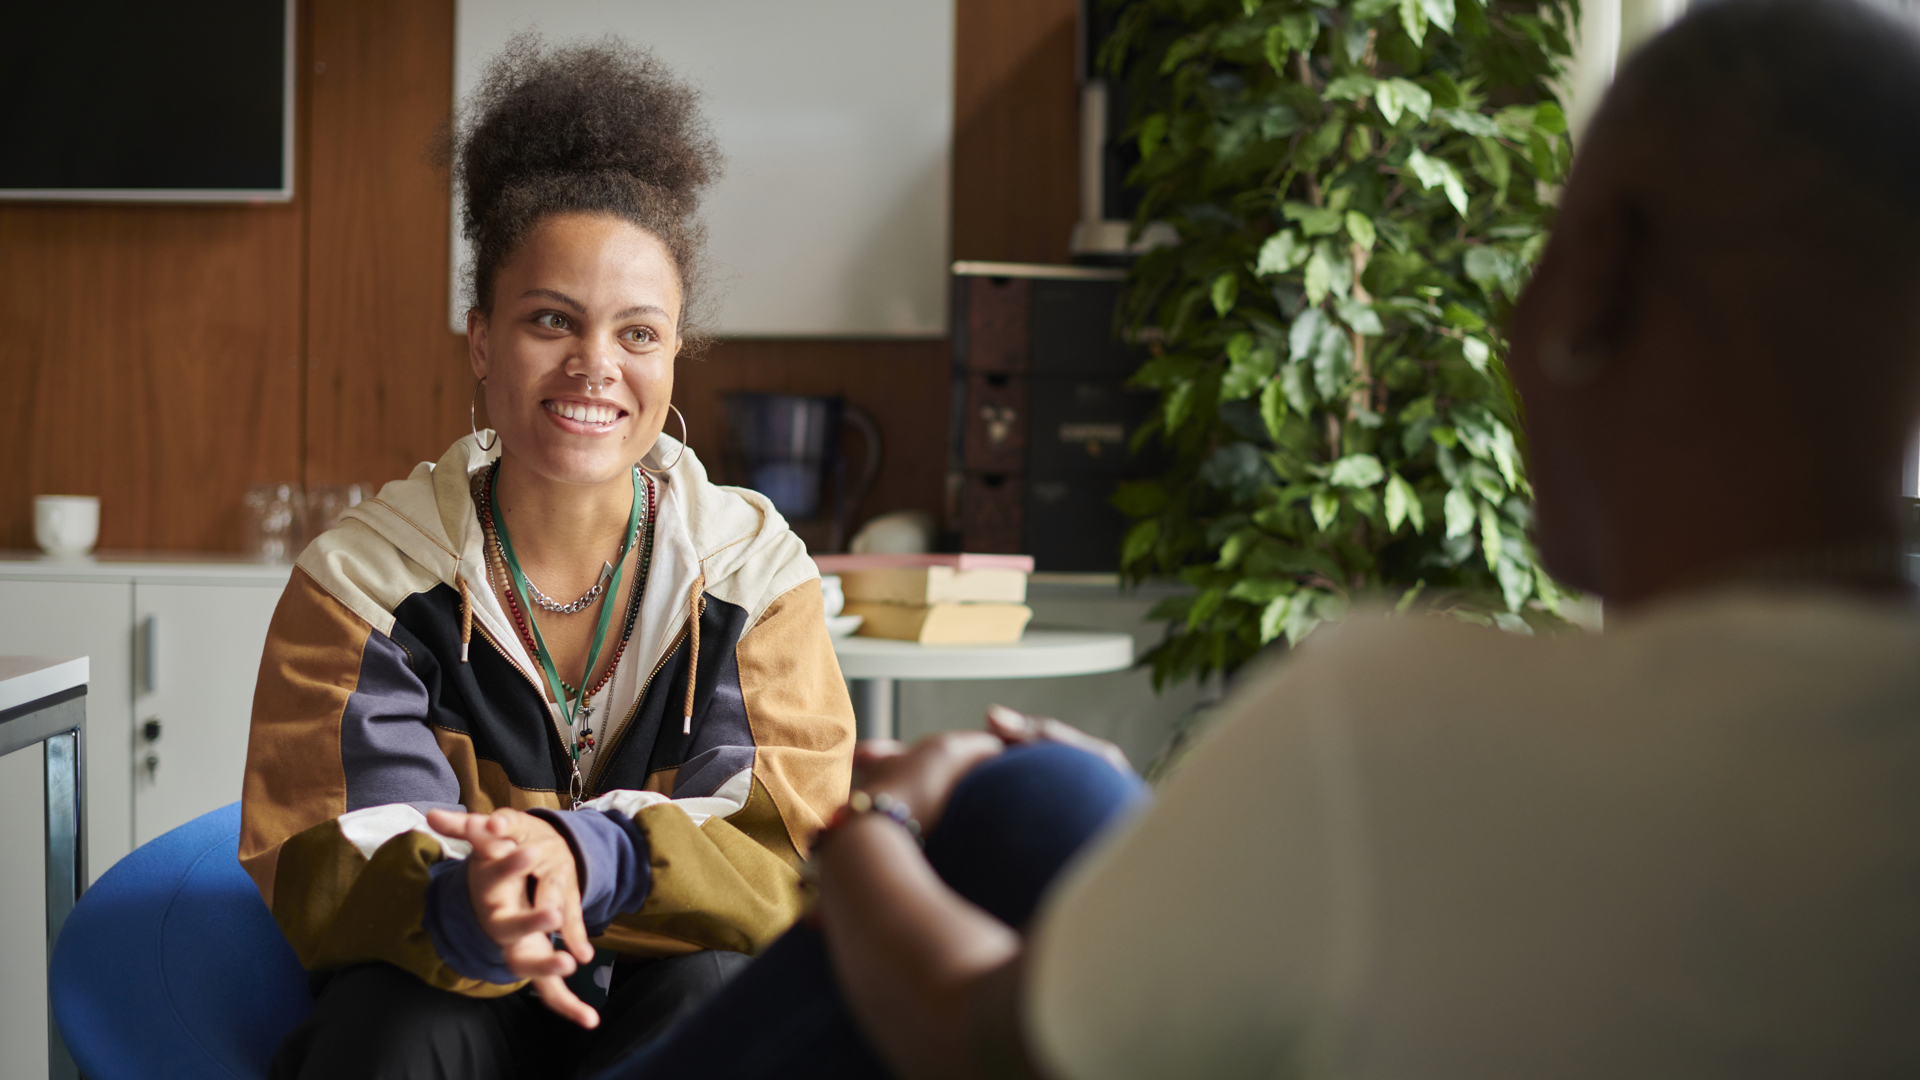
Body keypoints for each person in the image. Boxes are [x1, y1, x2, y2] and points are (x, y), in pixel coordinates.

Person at [591, 0, 1920, 1075]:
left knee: (1010, 800)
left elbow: (968, 1034)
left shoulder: (1402, 724)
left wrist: (871, 819)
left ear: (1595, 279)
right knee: (1062, 799)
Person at [238, 36, 856, 1080]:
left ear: (674, 355)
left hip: (664, 970)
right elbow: (322, 851)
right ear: (481, 340)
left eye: (639, 335)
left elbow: (785, 850)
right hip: (451, 970)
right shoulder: (362, 583)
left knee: (719, 989)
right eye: (549, 321)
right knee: (393, 1025)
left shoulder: (757, 575)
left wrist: (587, 855)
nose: (594, 368)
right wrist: (474, 898)